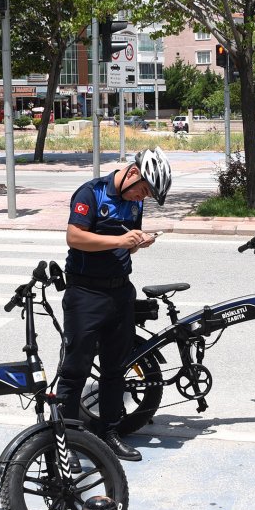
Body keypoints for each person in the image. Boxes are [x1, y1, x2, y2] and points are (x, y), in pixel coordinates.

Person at [56, 147, 172, 462]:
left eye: (147, 195)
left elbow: (123, 245)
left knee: (115, 368)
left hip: (120, 292)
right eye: (144, 190)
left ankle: (109, 432)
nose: (142, 198)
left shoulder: (134, 204)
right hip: (85, 294)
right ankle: (64, 441)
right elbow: (75, 237)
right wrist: (121, 241)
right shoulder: (91, 193)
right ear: (133, 174)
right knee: (75, 369)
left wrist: (137, 243)